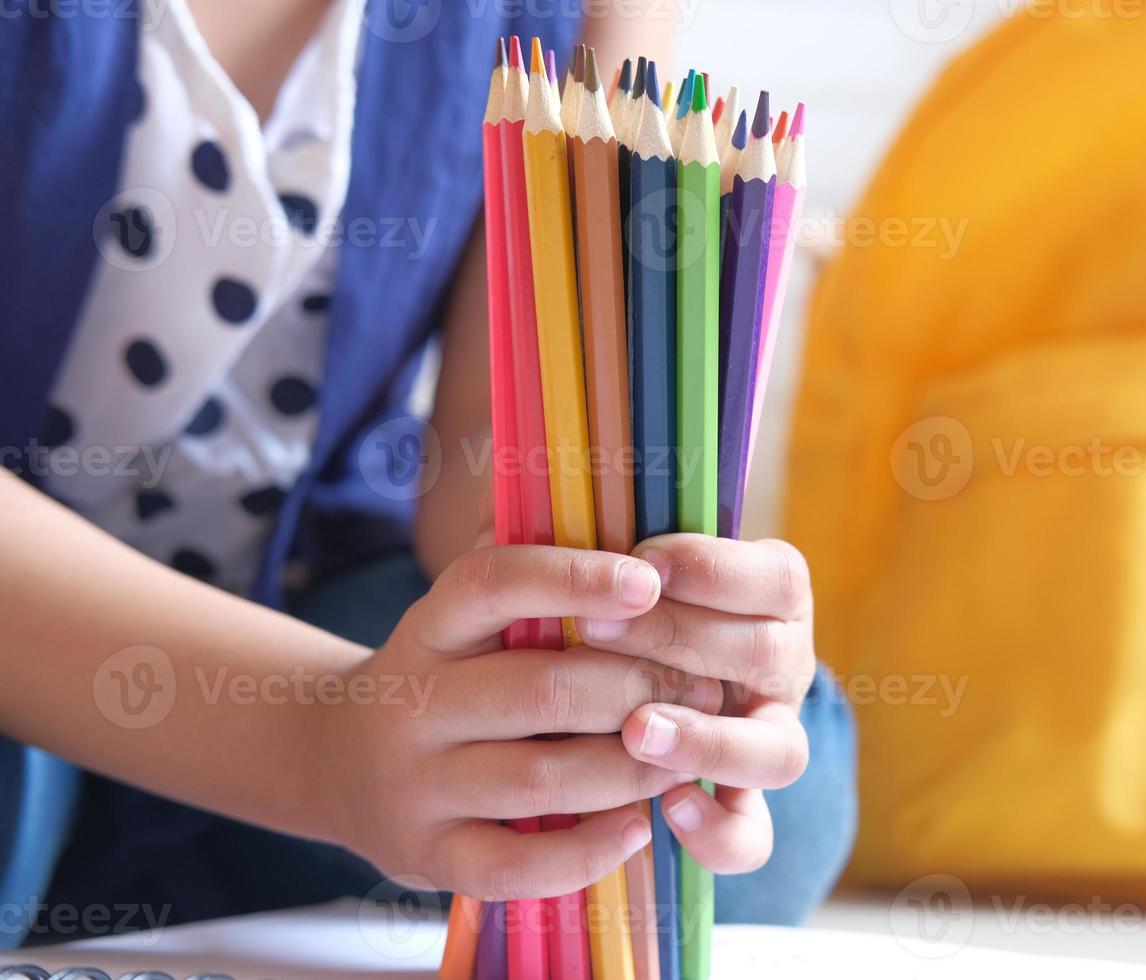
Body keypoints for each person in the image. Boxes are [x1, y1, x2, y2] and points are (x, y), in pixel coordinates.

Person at [0, 0, 855, 946]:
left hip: (305, 599)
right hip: (34, 627)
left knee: (742, 785)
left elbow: (495, 449)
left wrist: (640, 624)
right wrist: (320, 745)